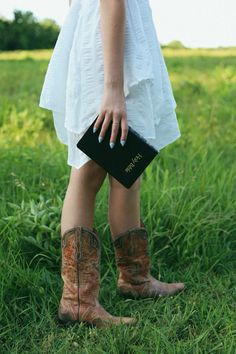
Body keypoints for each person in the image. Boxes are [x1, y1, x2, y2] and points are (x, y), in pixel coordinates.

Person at [39, 0, 185, 329]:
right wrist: (113, 88)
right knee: (89, 169)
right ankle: (78, 300)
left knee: (127, 168)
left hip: (120, 48)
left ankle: (135, 279)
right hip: (107, 60)